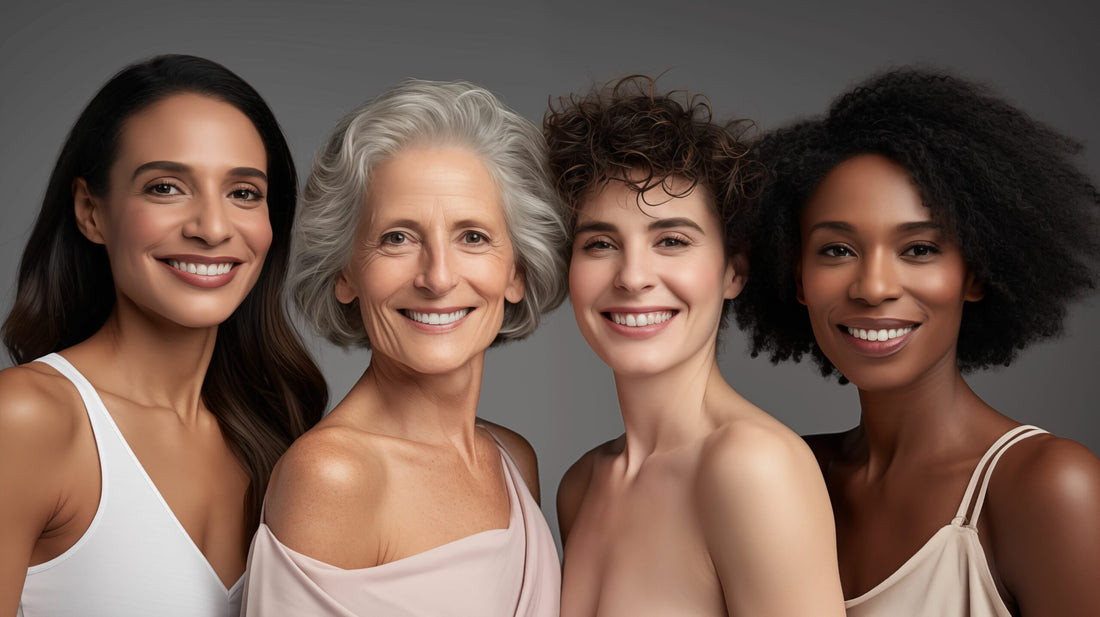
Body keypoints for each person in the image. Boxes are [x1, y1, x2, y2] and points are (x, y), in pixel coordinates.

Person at [737, 69, 1100, 616]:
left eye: (919, 249)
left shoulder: (1049, 486)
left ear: (976, 274)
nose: (874, 287)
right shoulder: (789, 473)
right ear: (797, 279)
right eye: (836, 250)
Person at [0, 55, 326, 616]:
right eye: (167, 187)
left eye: (243, 193)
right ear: (90, 212)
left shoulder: (282, 435)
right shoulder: (26, 419)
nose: (212, 227)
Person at [241, 80, 567, 616]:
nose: (437, 277)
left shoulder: (513, 459)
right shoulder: (334, 476)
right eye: (397, 237)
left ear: (518, 272)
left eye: (473, 237)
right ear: (345, 273)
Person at [544, 76, 846, 617]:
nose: (633, 277)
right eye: (600, 243)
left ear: (733, 271)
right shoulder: (582, 485)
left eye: (672, 241)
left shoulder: (754, 467)